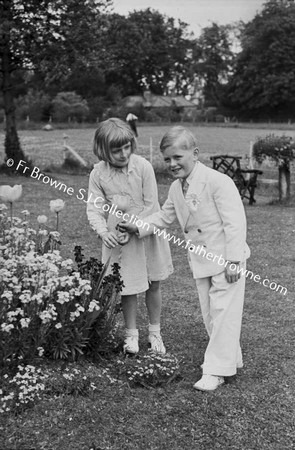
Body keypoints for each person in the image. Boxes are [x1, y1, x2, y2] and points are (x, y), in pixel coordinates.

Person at [119, 126, 250, 391]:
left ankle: (215, 370)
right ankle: (231, 359)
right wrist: (138, 226)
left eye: (178, 157)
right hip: (202, 261)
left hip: (226, 260)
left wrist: (234, 260)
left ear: (195, 154)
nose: (172, 164)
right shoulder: (177, 190)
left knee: (223, 313)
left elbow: (235, 222)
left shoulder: (217, 181)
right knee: (211, 315)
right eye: (167, 159)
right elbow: (164, 217)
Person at [86, 118, 173, 355]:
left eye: (127, 147)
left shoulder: (143, 166)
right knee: (127, 286)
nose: (124, 154)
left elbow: (151, 204)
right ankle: (131, 335)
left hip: (146, 232)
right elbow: (94, 209)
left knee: (153, 283)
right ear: (103, 150)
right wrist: (105, 232)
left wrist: (134, 227)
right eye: (117, 150)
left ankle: (154, 333)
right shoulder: (97, 174)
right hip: (120, 239)